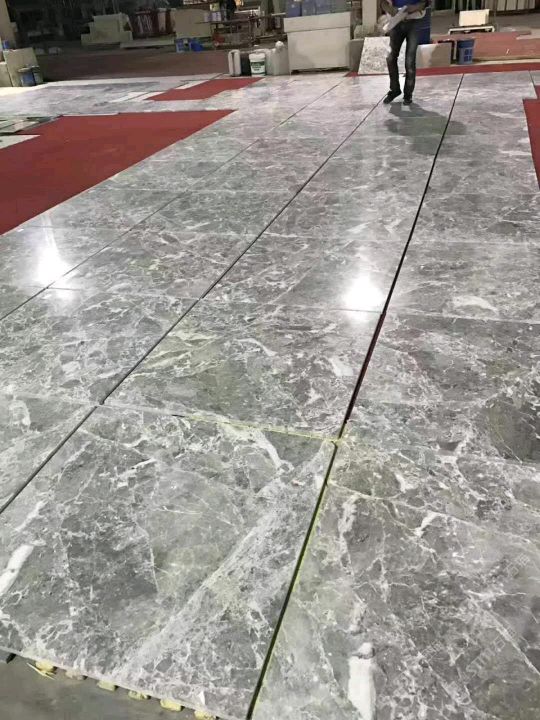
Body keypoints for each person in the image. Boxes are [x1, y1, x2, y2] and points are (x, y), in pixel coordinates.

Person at [381, 0, 429, 105]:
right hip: (396, 22)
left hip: (414, 22)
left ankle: (408, 94)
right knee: (390, 58)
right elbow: (383, 3)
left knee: (409, 61)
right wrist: (391, 10)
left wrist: (414, 7)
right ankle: (395, 90)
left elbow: (426, 2)